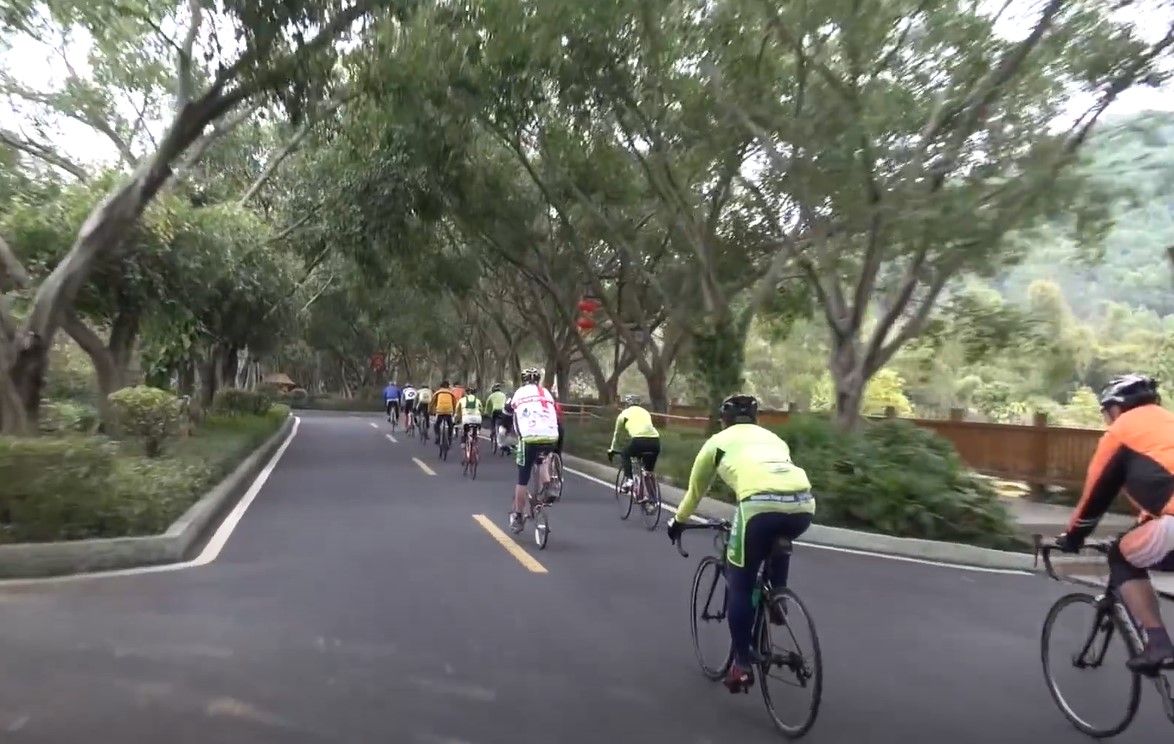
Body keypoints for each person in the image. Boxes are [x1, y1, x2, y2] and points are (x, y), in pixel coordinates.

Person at [666, 394, 815, 694]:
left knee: (741, 585)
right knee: (778, 537)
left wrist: (678, 522)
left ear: (724, 420)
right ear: (756, 420)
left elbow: (695, 492)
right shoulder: (774, 439)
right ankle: (778, 600)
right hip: (803, 506)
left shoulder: (717, 443)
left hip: (758, 509)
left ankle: (742, 665)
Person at [1055, 374, 1174, 674]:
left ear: (1116, 408)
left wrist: (1073, 537)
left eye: (1106, 411)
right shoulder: (1167, 424)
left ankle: (1158, 644)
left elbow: (1095, 497)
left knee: (1122, 557)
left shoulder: (1121, 431)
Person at [508, 368, 560, 531]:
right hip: (551, 436)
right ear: (538, 381)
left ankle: (517, 516)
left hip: (529, 438)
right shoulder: (546, 393)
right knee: (543, 459)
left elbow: (507, 413)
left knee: (522, 478)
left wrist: (503, 435)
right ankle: (549, 487)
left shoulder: (518, 393)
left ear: (523, 380)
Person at [607, 394, 661, 498]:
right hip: (655, 441)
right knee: (648, 471)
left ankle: (629, 480)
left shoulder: (623, 414)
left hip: (639, 441)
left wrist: (613, 449)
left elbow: (617, 435)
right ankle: (653, 499)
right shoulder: (646, 413)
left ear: (627, 404)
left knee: (625, 453)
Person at [430, 380, 457, 447]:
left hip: (440, 411)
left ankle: (438, 436)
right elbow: (455, 404)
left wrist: (429, 410)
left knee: (436, 424)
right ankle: (450, 438)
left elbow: (431, 403)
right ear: (448, 387)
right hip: (448, 411)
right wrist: (454, 412)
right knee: (450, 425)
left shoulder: (437, 393)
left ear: (440, 387)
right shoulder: (451, 394)